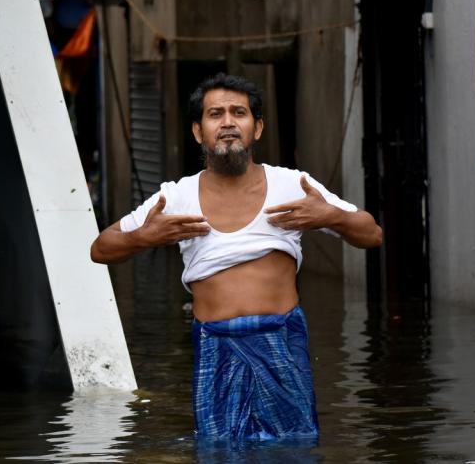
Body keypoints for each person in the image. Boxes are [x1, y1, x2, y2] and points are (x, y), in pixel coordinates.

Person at [90, 72, 382, 441]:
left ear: (257, 128)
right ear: (198, 132)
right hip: (215, 345)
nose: (227, 122)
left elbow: (372, 234)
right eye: (215, 114)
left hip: (282, 343)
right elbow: (101, 248)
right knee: (218, 451)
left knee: (293, 449)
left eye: (238, 112)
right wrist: (146, 236)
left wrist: (332, 216)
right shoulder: (177, 196)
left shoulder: (293, 185)